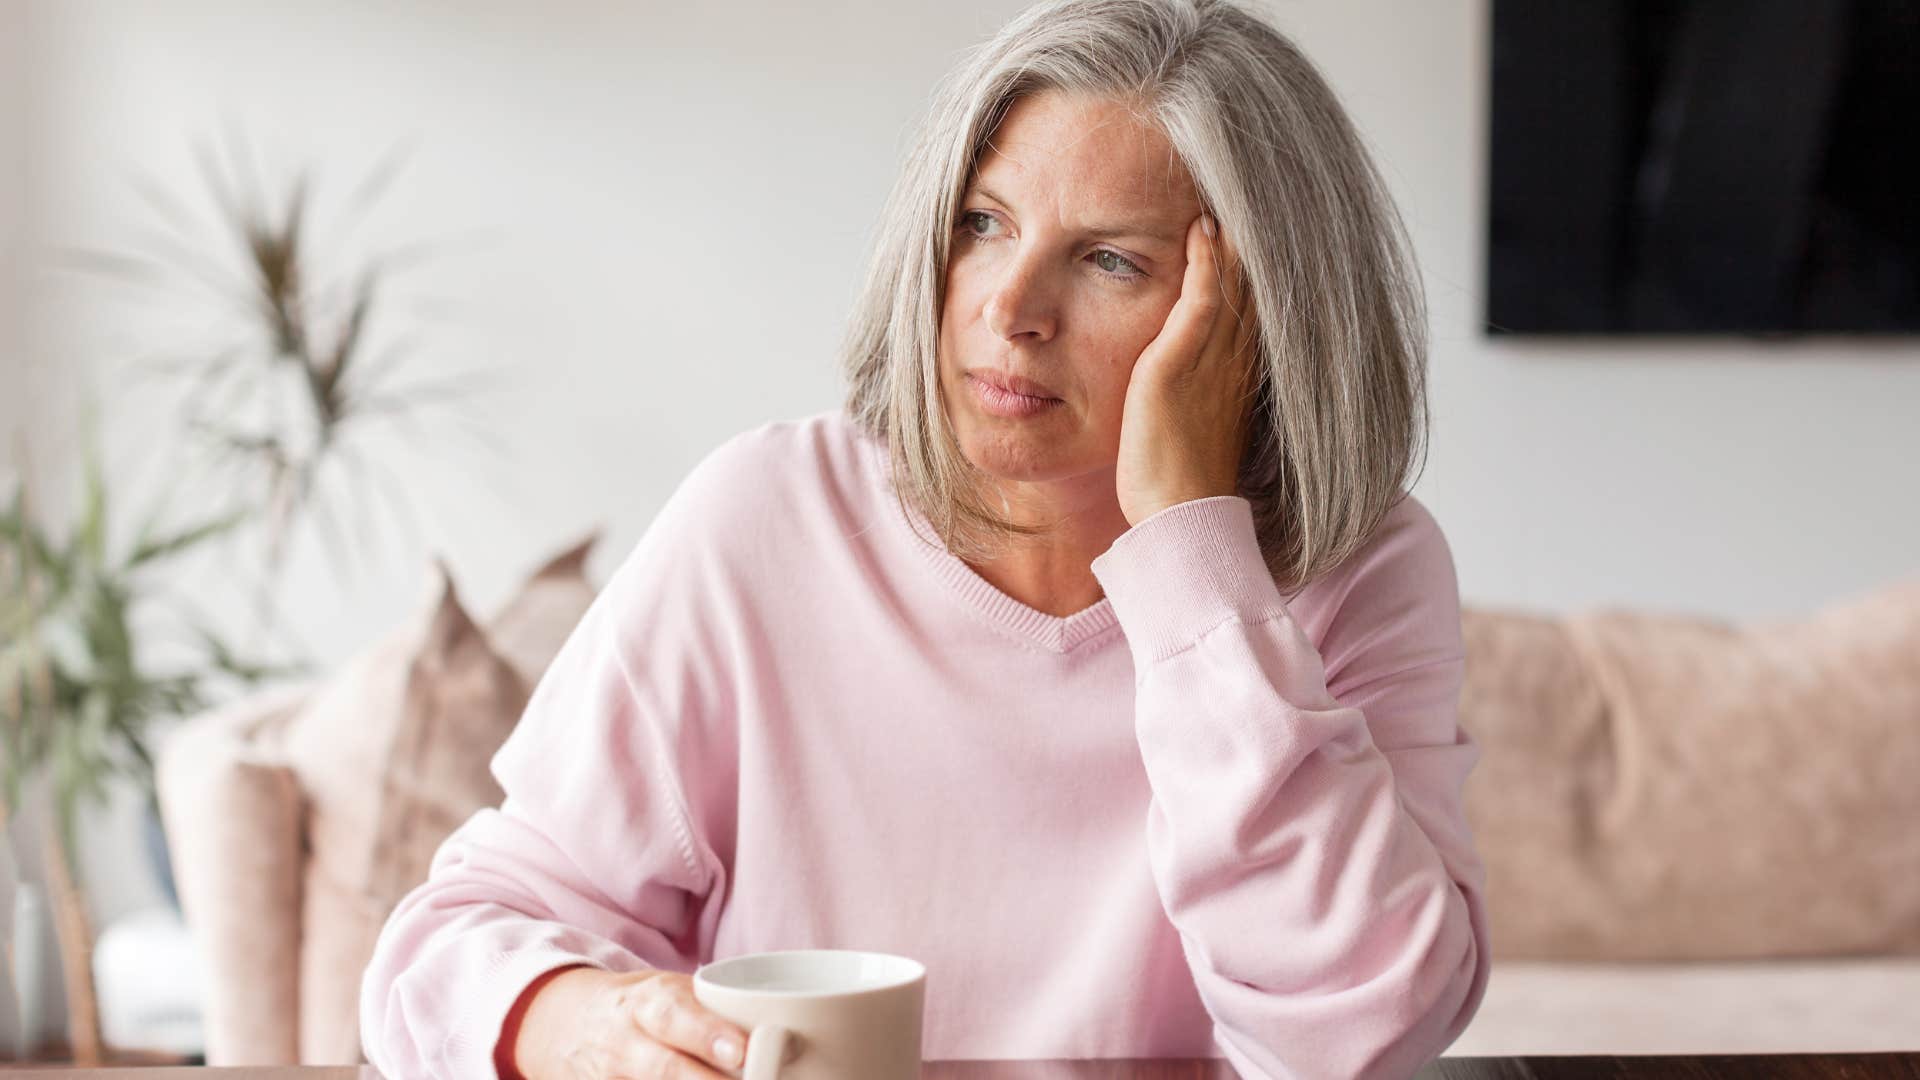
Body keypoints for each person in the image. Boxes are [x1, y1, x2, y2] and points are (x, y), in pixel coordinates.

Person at [358, 0, 1491, 1076]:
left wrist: (1195, 560)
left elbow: (1360, 1036)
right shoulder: (768, 518)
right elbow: (445, 946)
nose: (1010, 309)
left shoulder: (1363, 568)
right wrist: (581, 1028)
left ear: (1257, 321)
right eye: (983, 225)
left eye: (1111, 261)